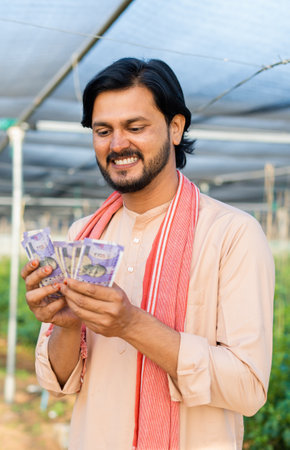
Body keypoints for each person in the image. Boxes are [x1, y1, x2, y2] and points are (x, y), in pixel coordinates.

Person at [21, 58, 275, 450]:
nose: (117, 144)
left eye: (135, 127)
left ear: (176, 127)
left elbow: (248, 389)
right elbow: (58, 381)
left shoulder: (231, 234)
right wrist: (67, 324)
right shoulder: (84, 235)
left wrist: (131, 324)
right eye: (103, 130)